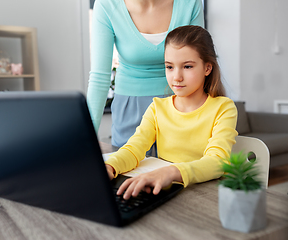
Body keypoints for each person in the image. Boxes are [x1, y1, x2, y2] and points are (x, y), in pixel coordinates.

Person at [105, 25, 238, 200]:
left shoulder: (223, 108)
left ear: (207, 68)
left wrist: (171, 172)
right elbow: (134, 149)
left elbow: (217, 161)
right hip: (168, 193)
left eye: (187, 67)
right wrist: (109, 167)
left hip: (207, 195)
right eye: (169, 67)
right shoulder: (157, 108)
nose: (177, 77)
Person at [87, 0, 205, 148]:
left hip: (181, 103)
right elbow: (99, 77)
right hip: (130, 107)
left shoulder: (189, 3)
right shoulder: (107, 5)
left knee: (179, 168)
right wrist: (86, 138)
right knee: (128, 167)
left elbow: (199, 64)